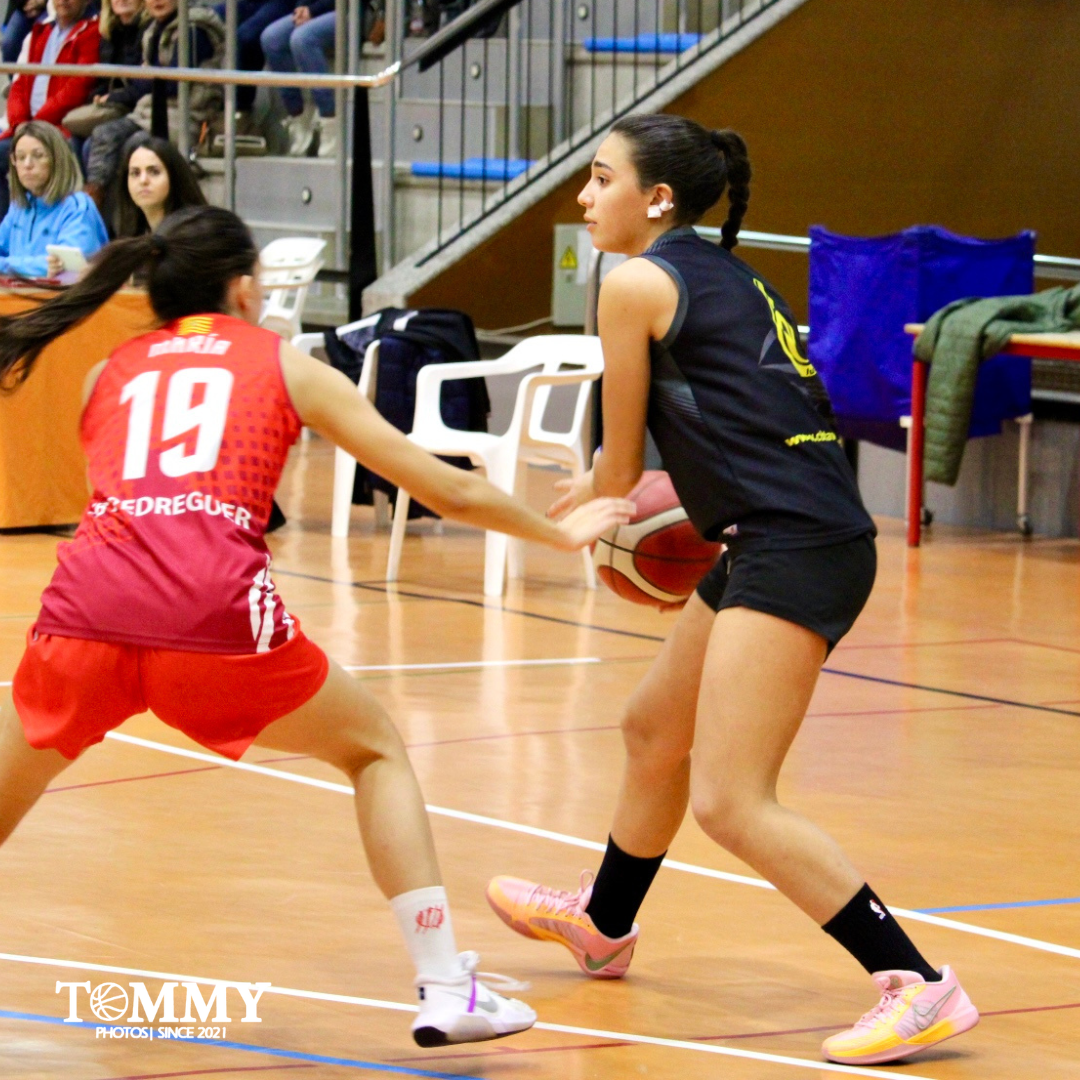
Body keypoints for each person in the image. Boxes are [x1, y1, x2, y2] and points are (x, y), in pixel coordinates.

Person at [0, 205, 634, 1048]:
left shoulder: (104, 373)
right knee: (374, 750)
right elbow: (444, 486)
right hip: (212, 618)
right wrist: (560, 533)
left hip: (87, 611)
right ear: (242, 287)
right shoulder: (284, 364)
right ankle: (447, 986)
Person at [485, 114, 980, 1068]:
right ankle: (604, 923)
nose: (584, 197)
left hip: (795, 543)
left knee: (731, 800)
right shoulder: (729, 273)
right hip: (785, 533)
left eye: (601, 179)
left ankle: (920, 986)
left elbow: (622, 467)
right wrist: (616, 492)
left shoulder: (632, 283)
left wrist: (574, 511)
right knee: (652, 730)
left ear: (657, 198)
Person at [83, 0, 224, 207]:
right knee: (100, 135)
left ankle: (123, 217)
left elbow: (173, 85)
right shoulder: (152, 29)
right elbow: (147, 81)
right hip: (150, 110)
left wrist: (147, 77)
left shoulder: (195, 29)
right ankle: (95, 208)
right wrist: (148, 78)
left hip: (186, 116)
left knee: (134, 147)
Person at [0, 0, 99, 215]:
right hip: (27, 127)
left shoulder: (92, 31)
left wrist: (34, 126)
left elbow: (78, 88)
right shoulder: (40, 30)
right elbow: (19, 83)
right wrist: (20, 124)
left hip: (59, 128)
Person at [0, 120, 107, 277]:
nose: (27, 164)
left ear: (57, 159)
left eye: (38, 156)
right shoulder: (19, 206)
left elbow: (68, 268)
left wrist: (9, 265)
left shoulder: (78, 207)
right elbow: (46, 266)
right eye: (21, 157)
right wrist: (32, 266)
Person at [61, 0, 148, 142]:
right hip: (113, 106)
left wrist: (112, 97)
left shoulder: (148, 31)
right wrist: (97, 96)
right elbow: (102, 81)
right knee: (75, 137)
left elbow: (144, 87)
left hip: (137, 109)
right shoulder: (109, 32)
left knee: (92, 141)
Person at [260, 1, 336, 157]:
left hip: (347, 9)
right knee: (271, 38)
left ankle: (329, 119)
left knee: (302, 38)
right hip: (313, 8)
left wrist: (312, 11)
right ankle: (298, 115)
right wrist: (302, 7)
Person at [115, 135, 205, 237]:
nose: (143, 180)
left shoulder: (195, 234)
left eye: (154, 172)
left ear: (174, 176)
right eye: (135, 173)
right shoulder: (131, 234)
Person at [1, 0, 45, 64]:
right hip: (23, 6)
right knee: (9, 43)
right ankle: (12, 70)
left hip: (50, 9)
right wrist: (30, 3)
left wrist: (42, 2)